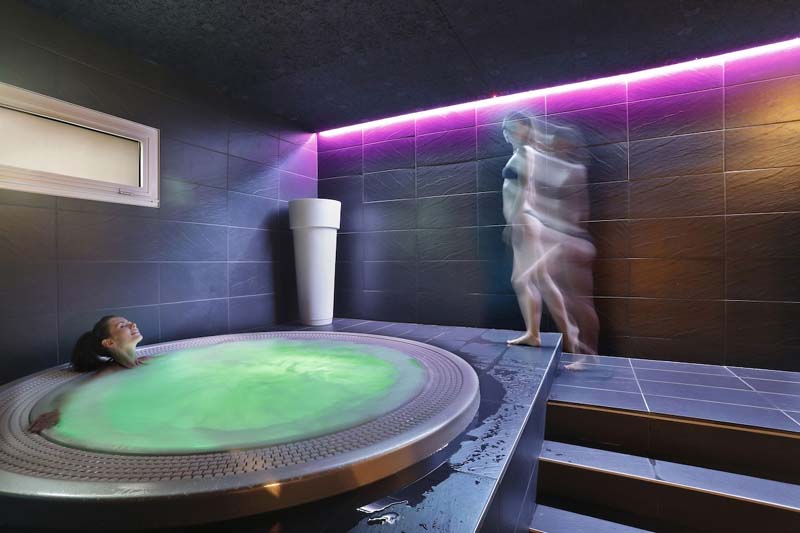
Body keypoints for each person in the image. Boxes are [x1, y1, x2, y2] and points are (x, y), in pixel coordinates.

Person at [501, 113, 580, 353]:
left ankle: (536, 333)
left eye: (510, 127)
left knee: (521, 280)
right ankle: (566, 333)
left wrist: (514, 222)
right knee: (542, 279)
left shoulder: (526, 153)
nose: (506, 133)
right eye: (504, 129)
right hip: (526, 219)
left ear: (525, 128)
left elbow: (525, 191)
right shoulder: (524, 153)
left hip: (523, 220)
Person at [28, 316, 147, 433]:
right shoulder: (110, 374)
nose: (133, 325)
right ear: (109, 342)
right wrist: (59, 413)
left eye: (129, 322)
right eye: (122, 326)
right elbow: (82, 395)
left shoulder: (148, 361)